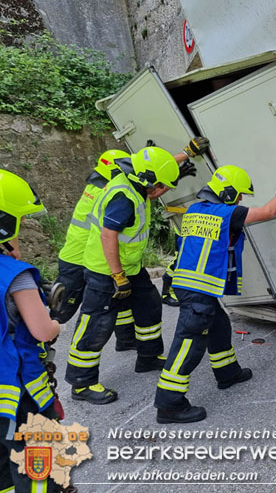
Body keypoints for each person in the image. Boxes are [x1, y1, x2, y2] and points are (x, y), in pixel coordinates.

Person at [154, 166, 276, 424]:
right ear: (228, 191)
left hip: (189, 285)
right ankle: (169, 405)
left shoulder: (193, 210)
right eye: (239, 194)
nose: (241, 200)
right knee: (188, 345)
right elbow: (268, 212)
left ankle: (228, 373)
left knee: (219, 326)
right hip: (197, 289)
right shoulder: (226, 213)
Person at [65, 144, 203, 405]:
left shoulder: (135, 180)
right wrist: (117, 276)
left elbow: (151, 181)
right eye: (162, 185)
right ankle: (81, 384)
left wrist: (182, 159)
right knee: (97, 324)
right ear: (148, 179)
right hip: (105, 270)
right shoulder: (123, 199)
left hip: (131, 268)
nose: (164, 190)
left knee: (149, 304)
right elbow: (109, 236)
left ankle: (148, 357)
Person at [0, 170, 61, 492]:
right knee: (35, 466)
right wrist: (56, 324)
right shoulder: (16, 274)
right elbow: (41, 331)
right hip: (16, 395)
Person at [53, 149, 139, 352]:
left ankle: (126, 339)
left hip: (80, 257)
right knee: (61, 311)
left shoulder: (96, 185)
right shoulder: (111, 192)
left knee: (121, 302)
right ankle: (37, 347)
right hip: (77, 261)